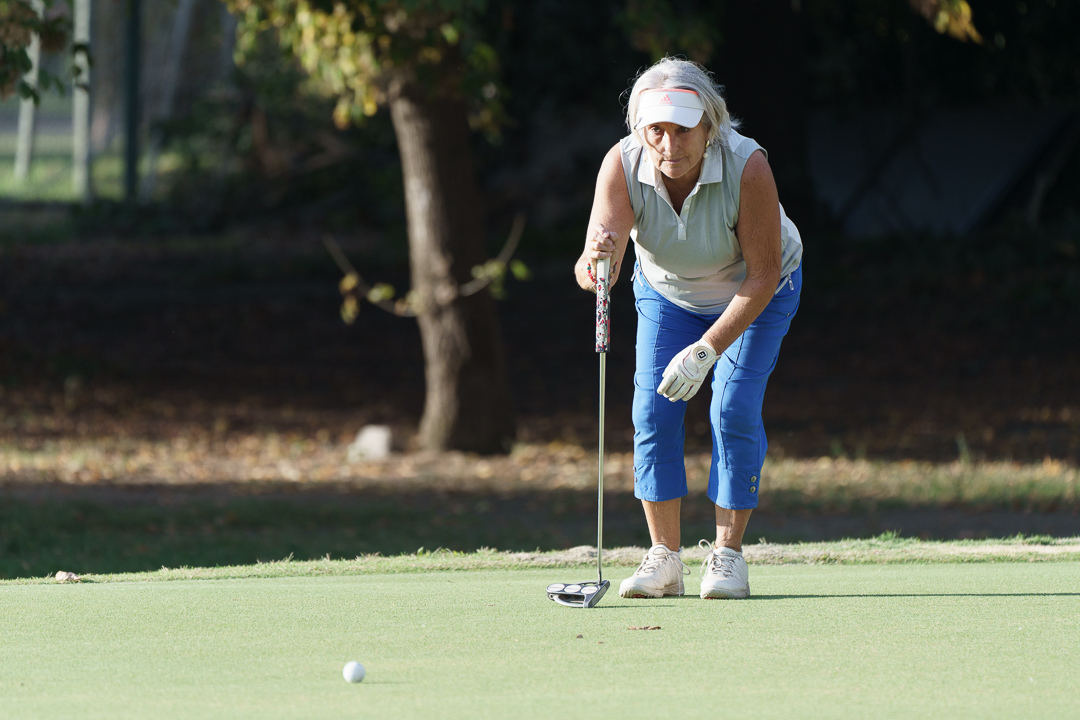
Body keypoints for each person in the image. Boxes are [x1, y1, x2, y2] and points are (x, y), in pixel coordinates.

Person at [575, 57, 803, 599]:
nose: (669, 144)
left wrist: (706, 350)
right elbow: (592, 270)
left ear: (709, 126)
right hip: (668, 294)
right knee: (651, 410)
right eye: (656, 130)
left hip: (757, 293)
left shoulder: (748, 166)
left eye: (682, 130)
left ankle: (727, 556)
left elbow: (764, 274)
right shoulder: (622, 164)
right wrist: (597, 264)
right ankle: (665, 558)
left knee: (732, 408)